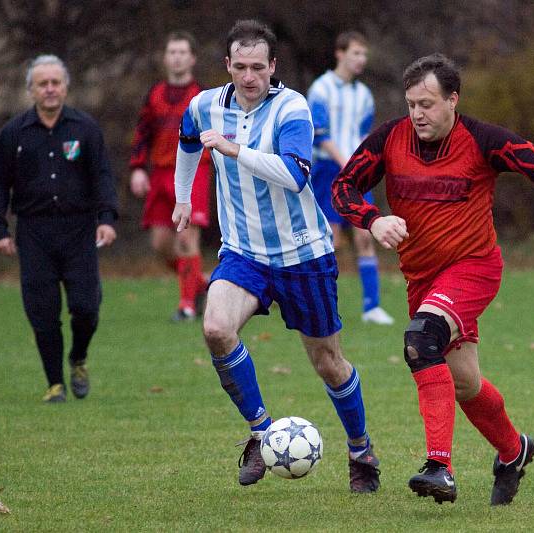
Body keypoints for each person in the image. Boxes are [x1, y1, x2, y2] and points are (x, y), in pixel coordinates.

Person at [332, 53, 534, 505]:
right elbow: (342, 187)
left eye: (428, 104)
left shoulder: (484, 139)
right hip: (423, 279)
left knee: (420, 340)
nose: (418, 114)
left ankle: (439, 467)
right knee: (465, 381)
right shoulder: (390, 139)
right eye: (412, 103)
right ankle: (513, 451)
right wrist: (372, 219)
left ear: (453, 99)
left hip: (474, 267)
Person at [172, 19, 381, 493]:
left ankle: (360, 448)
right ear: (227, 65)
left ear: (273, 67)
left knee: (328, 361)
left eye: (257, 67)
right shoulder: (205, 105)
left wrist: (234, 149)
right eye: (240, 67)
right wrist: (184, 196)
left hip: (303, 254)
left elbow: (295, 175)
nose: (249, 77)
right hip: (244, 252)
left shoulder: (293, 107)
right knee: (215, 328)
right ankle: (263, 433)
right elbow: (187, 140)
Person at [0, 55, 118, 403]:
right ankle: (54, 383)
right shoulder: (14, 133)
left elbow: (102, 175)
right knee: (42, 311)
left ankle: (78, 357)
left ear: (65, 87)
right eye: (42, 84)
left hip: (79, 231)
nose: (49, 89)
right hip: (34, 234)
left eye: (55, 82)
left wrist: (106, 218)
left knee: (86, 307)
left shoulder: (85, 129)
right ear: (31, 89)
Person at [306, 31, 394, 325]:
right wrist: (346, 163)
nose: (361, 60)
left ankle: (372, 307)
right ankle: (321, 306)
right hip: (329, 172)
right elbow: (321, 136)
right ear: (339, 53)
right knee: (330, 239)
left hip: (355, 174)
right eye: (356, 53)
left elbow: (363, 135)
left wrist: (364, 164)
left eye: (364, 54)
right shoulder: (320, 89)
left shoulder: (364, 95)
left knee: (365, 234)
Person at [129, 31, 212, 321]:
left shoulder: (202, 97)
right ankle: (200, 285)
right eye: (172, 52)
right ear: (165, 58)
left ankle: (187, 306)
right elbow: (142, 134)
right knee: (161, 244)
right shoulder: (154, 95)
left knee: (187, 238)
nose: (176, 57)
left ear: (192, 58)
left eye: (182, 52)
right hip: (162, 172)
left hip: (194, 171)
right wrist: (138, 168)